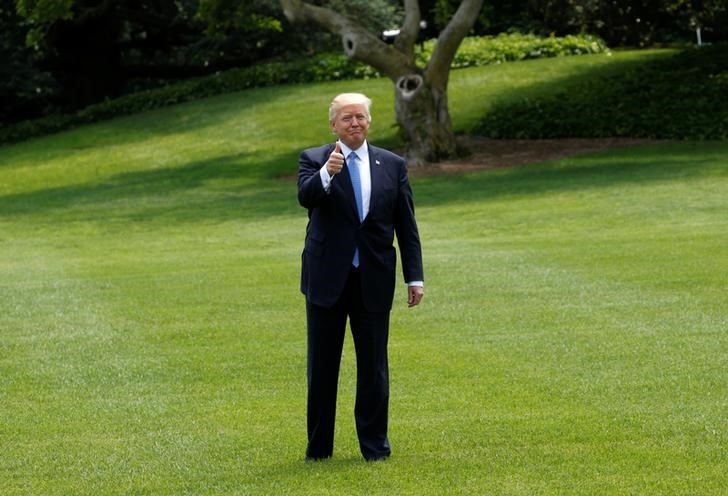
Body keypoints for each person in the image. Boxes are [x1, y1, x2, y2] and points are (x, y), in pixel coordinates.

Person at [297, 92, 424, 462]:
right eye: (347, 118)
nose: (355, 123)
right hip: (326, 280)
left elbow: (406, 224)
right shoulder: (315, 159)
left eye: (361, 117)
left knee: (373, 368)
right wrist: (327, 174)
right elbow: (306, 198)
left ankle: (375, 447)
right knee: (322, 368)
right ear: (333, 125)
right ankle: (319, 449)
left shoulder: (392, 164)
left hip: (373, 279)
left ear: (369, 121)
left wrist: (414, 277)